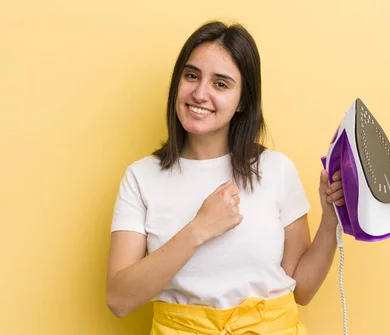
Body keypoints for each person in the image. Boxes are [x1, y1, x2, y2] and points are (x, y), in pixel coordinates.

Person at [105, 20, 345, 335]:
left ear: (243, 100)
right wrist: (199, 229)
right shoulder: (141, 177)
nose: (200, 93)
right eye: (191, 76)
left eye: (221, 84)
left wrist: (330, 219)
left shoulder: (276, 170)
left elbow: (302, 290)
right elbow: (119, 299)